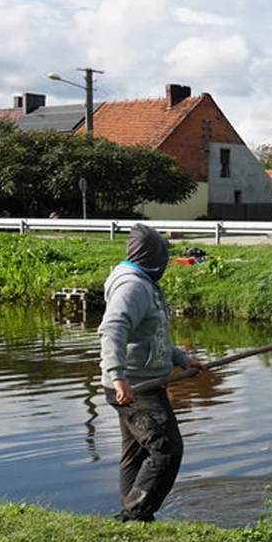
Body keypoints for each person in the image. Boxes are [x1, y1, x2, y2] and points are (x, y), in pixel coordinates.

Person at [99, 223, 205, 522]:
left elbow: (153, 334)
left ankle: (132, 509)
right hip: (135, 387)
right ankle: (134, 516)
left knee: (135, 451)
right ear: (151, 256)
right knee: (167, 449)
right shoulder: (132, 286)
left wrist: (183, 359)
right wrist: (118, 375)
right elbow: (113, 328)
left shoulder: (143, 282)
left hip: (140, 382)